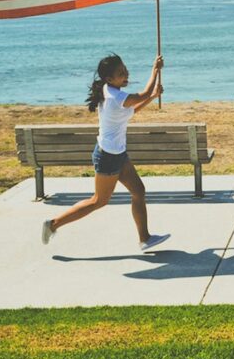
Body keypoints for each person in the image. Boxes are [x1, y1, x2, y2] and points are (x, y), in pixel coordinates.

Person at [41, 53, 170, 250]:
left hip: (118, 153)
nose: (125, 75)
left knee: (138, 191)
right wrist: (155, 70)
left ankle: (145, 238)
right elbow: (141, 95)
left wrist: (152, 97)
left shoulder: (110, 90)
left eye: (125, 70)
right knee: (98, 201)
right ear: (109, 79)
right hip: (108, 157)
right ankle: (53, 224)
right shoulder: (115, 96)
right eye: (120, 73)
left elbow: (131, 110)